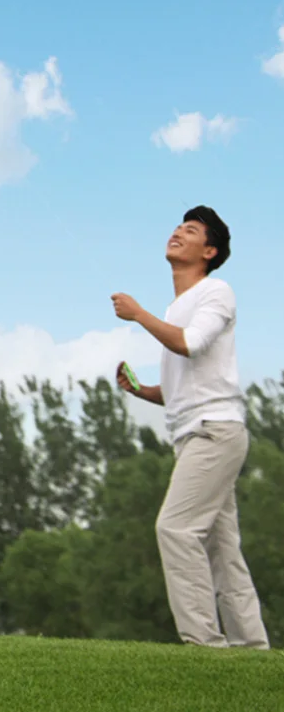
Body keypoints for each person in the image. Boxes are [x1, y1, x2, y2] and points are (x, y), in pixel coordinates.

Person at [111, 205, 269, 649]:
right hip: (196, 434)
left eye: (192, 230)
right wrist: (143, 391)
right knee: (223, 551)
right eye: (179, 226)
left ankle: (204, 646)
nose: (178, 232)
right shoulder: (177, 307)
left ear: (210, 250)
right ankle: (252, 651)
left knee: (175, 529)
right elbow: (186, 383)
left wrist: (139, 315)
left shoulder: (216, 292)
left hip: (214, 433)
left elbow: (192, 344)